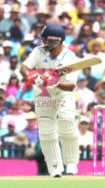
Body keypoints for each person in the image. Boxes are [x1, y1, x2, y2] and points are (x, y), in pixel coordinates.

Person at [20, 23, 79, 177]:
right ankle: (54, 168)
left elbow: (71, 86)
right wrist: (30, 76)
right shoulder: (38, 51)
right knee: (46, 132)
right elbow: (24, 68)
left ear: (56, 41)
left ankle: (71, 163)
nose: (43, 43)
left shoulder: (69, 57)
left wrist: (54, 82)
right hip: (42, 94)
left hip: (63, 94)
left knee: (66, 122)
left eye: (46, 40)